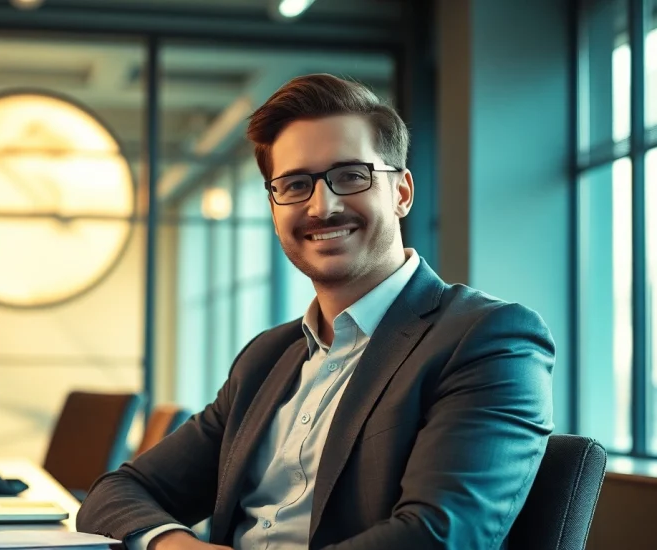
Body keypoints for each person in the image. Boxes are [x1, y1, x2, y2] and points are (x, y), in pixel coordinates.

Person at [77, 74, 554, 550]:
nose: (322, 207)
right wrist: (176, 546)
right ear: (273, 206)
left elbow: (439, 538)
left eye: (351, 176)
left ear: (402, 192)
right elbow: (117, 493)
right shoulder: (267, 358)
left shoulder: (489, 339)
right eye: (296, 184)